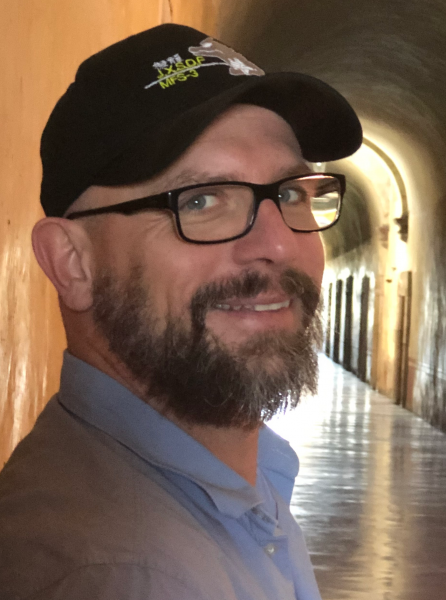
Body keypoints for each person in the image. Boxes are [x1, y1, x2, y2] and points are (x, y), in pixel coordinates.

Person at [0, 23, 361, 600]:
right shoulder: (122, 575)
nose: (278, 243)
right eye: (201, 200)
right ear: (72, 263)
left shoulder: (242, 477)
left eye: (290, 192)